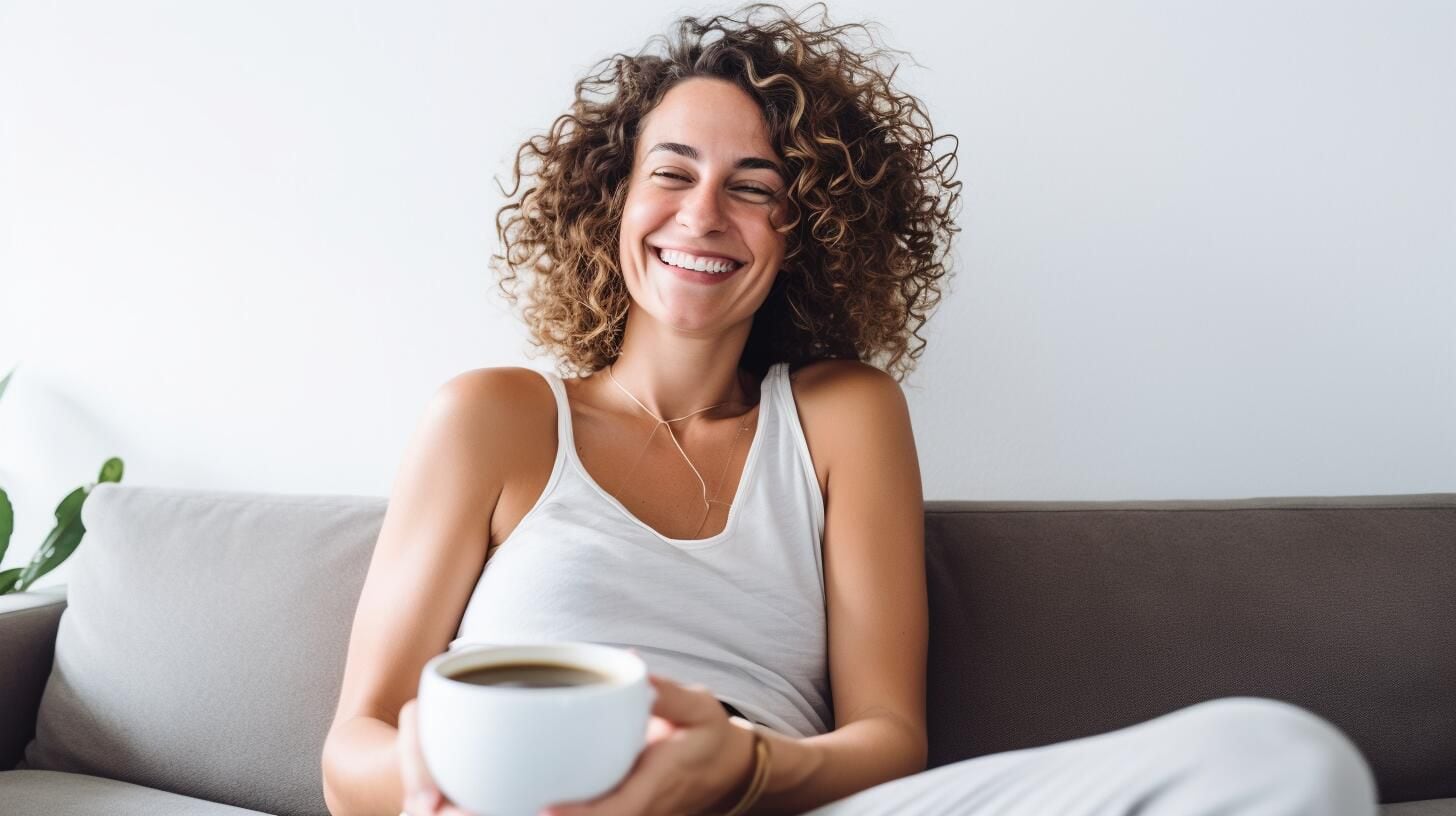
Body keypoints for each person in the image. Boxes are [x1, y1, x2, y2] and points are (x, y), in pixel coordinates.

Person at [319, 5, 1379, 815]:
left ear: (805, 228)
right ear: (612, 202)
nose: (702, 214)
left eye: (753, 186)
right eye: (671, 172)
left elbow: (886, 739)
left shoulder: (841, 416)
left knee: (1283, 756)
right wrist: (437, 776)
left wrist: (739, 766)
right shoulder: (495, 417)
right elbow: (351, 745)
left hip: (777, 794)